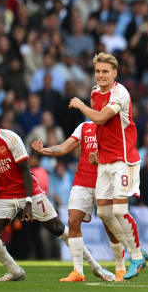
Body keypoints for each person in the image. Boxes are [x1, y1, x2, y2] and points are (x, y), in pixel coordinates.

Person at [0, 102, 107, 282]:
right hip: (4, 195)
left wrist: (28, 202)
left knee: (58, 229)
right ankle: (15, 271)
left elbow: (26, 171)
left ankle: (95, 266)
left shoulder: (9, 138)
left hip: (29, 192)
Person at [69, 52, 146, 280]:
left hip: (124, 160)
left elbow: (101, 118)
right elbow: (102, 128)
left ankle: (136, 255)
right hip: (104, 161)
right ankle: (136, 254)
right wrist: (98, 150)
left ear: (115, 73)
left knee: (120, 211)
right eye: (98, 71)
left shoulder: (120, 93)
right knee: (103, 212)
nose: (101, 75)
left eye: (105, 71)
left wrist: (81, 106)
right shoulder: (95, 92)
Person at [32, 121, 123, 282]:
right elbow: (64, 147)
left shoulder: (115, 127)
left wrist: (101, 159)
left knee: (109, 226)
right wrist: (44, 150)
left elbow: (121, 156)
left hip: (105, 181)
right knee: (73, 221)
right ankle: (78, 271)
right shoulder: (84, 127)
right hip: (82, 181)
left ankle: (120, 268)